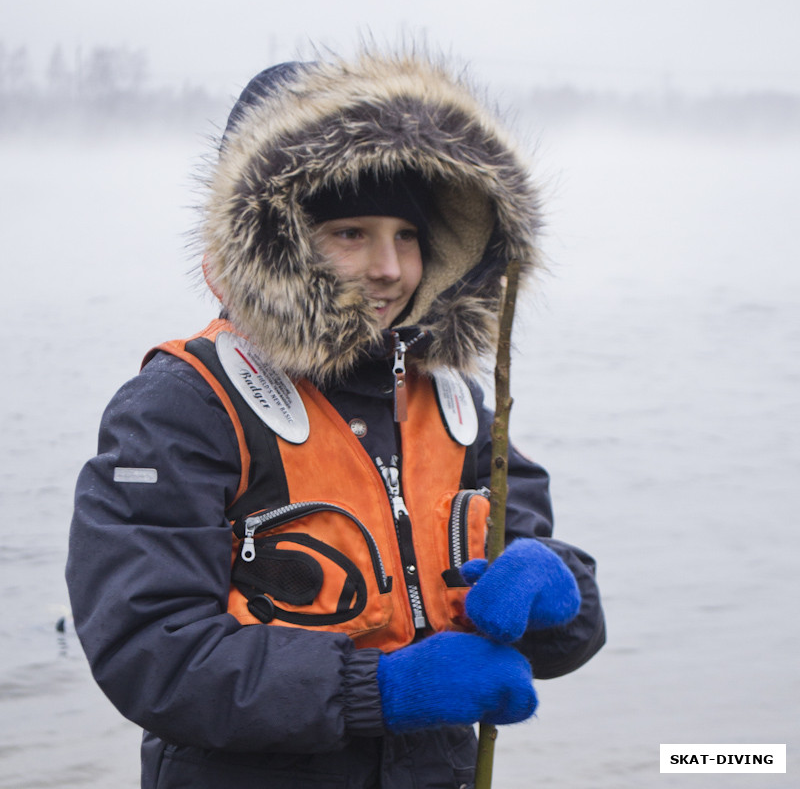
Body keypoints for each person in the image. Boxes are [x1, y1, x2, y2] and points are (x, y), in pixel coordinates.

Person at [66, 49, 605, 789]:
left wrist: (559, 595)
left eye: (407, 235)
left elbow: (548, 615)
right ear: (271, 245)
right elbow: (148, 648)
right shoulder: (181, 406)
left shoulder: (452, 402)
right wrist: (380, 691)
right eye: (351, 233)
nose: (389, 267)